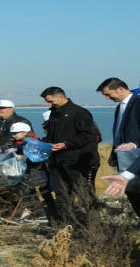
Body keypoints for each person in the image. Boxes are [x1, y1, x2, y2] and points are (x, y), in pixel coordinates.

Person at [96, 77, 140, 228]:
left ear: (120, 88)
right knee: (134, 190)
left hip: (135, 153)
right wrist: (125, 175)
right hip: (130, 157)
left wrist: (134, 143)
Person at [40, 87, 98, 224]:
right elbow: (52, 135)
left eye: (51, 101)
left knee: (84, 193)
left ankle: (93, 224)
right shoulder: (54, 113)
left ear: (61, 97)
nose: (49, 104)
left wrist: (66, 144)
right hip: (57, 160)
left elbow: (88, 135)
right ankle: (64, 223)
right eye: (47, 102)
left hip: (76, 161)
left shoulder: (80, 113)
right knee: (61, 193)